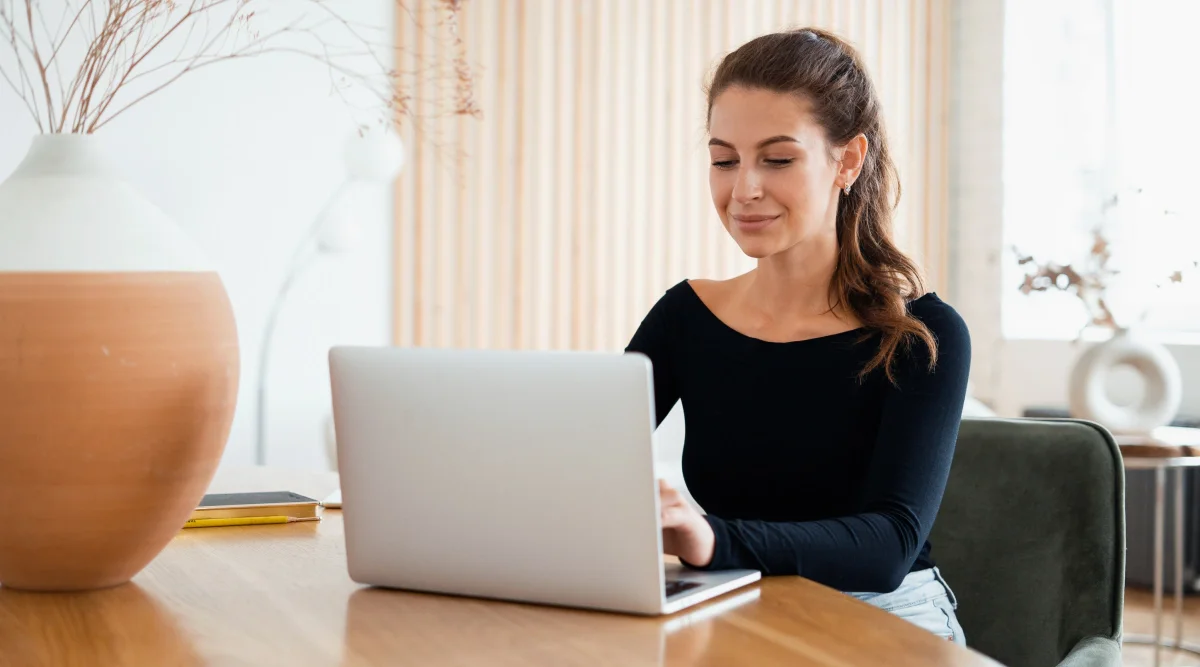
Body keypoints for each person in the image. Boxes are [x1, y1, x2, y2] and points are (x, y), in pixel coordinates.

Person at [626, 28, 972, 644]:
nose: (744, 190)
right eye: (724, 160)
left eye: (777, 159)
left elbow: (890, 542)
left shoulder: (921, 334)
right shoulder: (685, 317)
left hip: (884, 612)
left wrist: (712, 537)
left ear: (848, 160)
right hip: (731, 600)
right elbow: (590, 458)